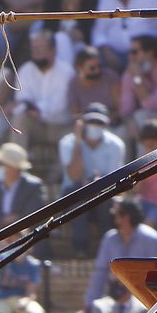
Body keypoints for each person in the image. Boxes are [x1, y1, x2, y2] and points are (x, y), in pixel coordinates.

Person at [57, 103, 128, 252]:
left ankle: (107, 250)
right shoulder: (68, 143)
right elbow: (74, 175)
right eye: (91, 122)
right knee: (78, 198)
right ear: (82, 123)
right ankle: (80, 250)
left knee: (105, 200)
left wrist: (98, 182)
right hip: (74, 194)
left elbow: (115, 182)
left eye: (99, 123)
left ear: (106, 124)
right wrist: (78, 141)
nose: (94, 126)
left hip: (104, 193)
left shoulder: (116, 145)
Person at [85, 197, 157, 313]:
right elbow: (100, 274)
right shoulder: (109, 239)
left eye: (115, 214)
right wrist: (87, 306)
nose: (112, 218)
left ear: (126, 217)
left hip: (144, 300)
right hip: (114, 298)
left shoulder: (152, 239)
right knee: (97, 309)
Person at [11, 32, 74, 148]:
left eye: (40, 49)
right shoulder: (25, 70)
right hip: (36, 125)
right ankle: (14, 163)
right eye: (34, 49)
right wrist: (32, 109)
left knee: (72, 137)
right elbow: (22, 100)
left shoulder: (67, 72)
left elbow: (59, 107)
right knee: (20, 117)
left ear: (53, 51)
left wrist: (37, 109)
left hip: (61, 127)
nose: (36, 53)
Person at [0, 142, 47, 239]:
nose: (1, 167)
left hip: (28, 241)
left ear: (16, 168)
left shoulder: (33, 187)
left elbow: (32, 216)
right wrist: (3, 220)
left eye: (4, 164)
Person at [67, 45, 121, 122]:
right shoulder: (73, 84)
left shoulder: (110, 77)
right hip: (87, 127)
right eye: (92, 68)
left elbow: (121, 108)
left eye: (99, 66)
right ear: (79, 68)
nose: (97, 71)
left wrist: (106, 120)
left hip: (113, 124)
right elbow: (75, 114)